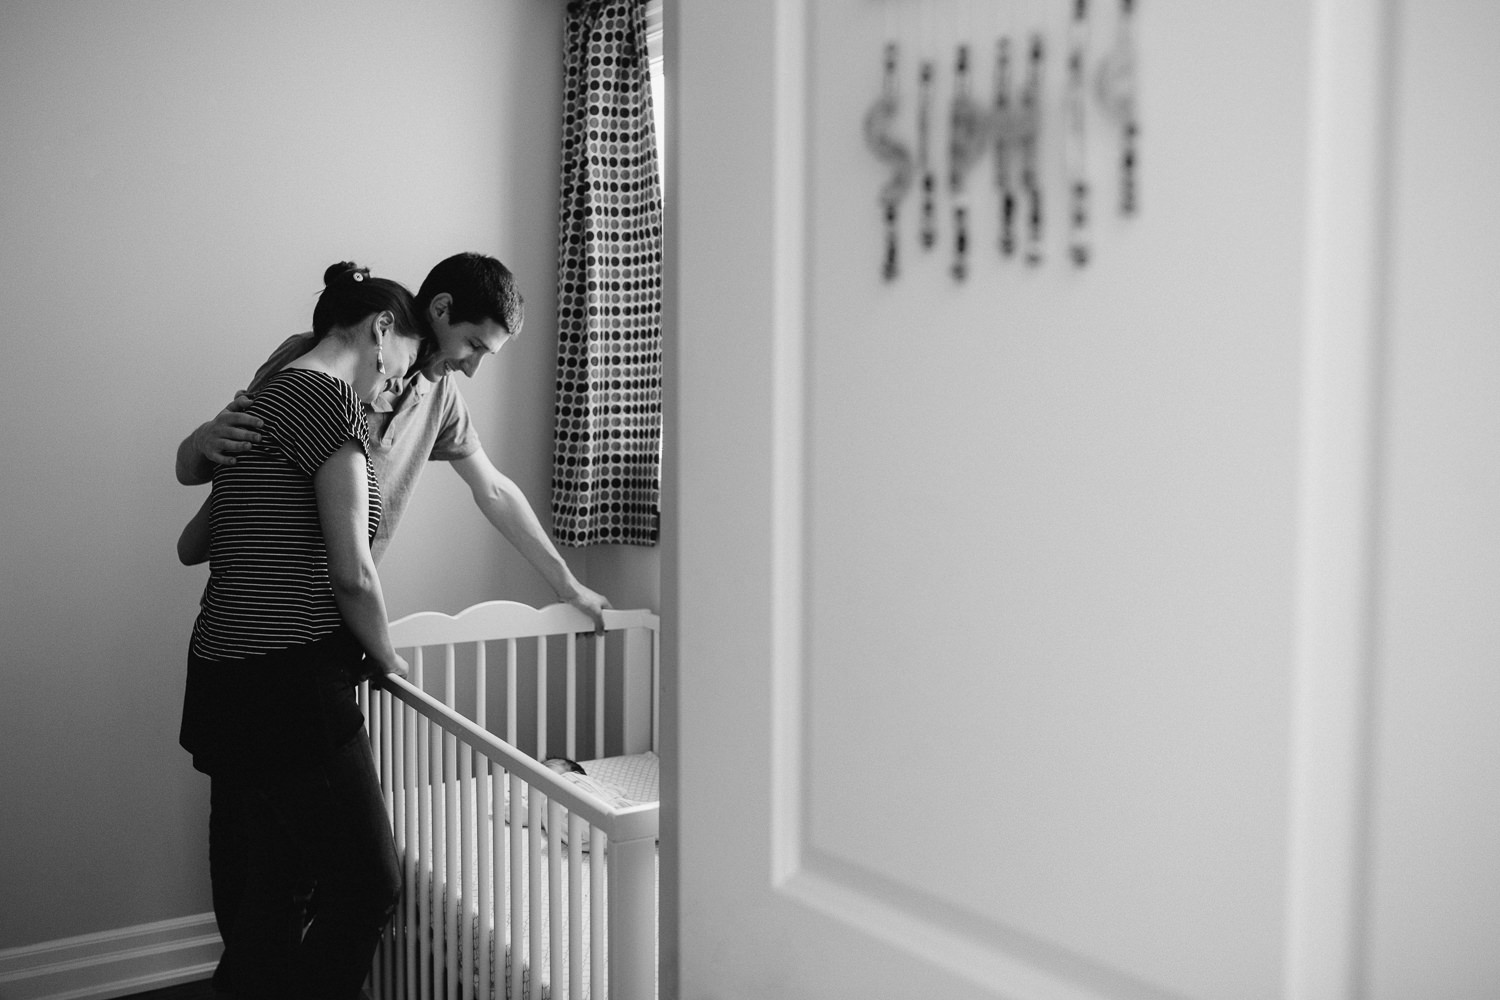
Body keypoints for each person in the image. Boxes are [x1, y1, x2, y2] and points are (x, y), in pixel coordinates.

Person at [177, 262, 425, 999]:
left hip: (222, 676)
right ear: (383, 330)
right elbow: (352, 573)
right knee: (367, 887)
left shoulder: (262, 405)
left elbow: (194, 546)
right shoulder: (327, 406)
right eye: (403, 364)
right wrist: (393, 662)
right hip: (290, 685)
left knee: (271, 893)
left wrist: (196, 455)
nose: (396, 388)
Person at [175, 251, 611, 629]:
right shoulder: (319, 358)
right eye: (473, 346)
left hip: (337, 619)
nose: (472, 368)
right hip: (262, 615)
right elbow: (221, 473)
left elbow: (493, 489)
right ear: (441, 309)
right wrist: (202, 440)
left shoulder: (439, 394)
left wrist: (569, 586)